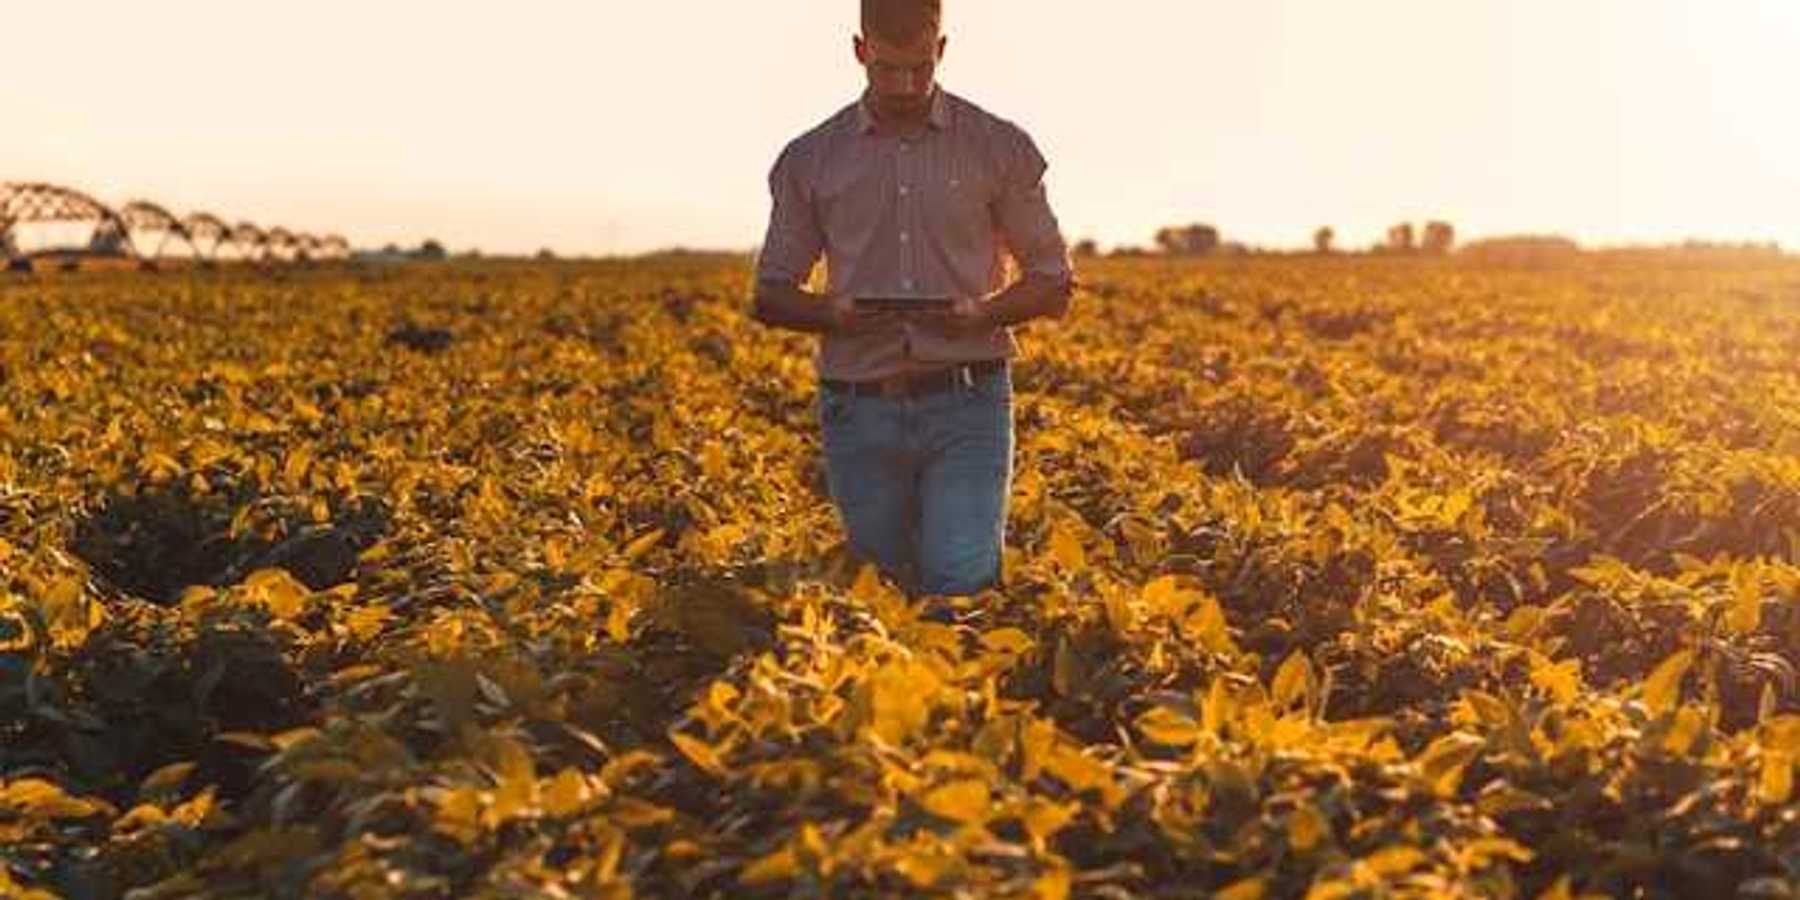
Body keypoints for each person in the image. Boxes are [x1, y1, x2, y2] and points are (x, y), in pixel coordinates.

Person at [750, 0, 1075, 599]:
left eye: (920, 69)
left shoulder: (999, 147)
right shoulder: (810, 159)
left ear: (942, 51)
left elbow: (1053, 282)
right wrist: (832, 312)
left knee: (961, 585)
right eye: (887, 69)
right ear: (859, 51)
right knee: (881, 594)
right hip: (857, 407)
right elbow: (770, 294)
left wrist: (982, 311)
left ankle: (962, 692)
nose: (904, 86)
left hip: (968, 400)